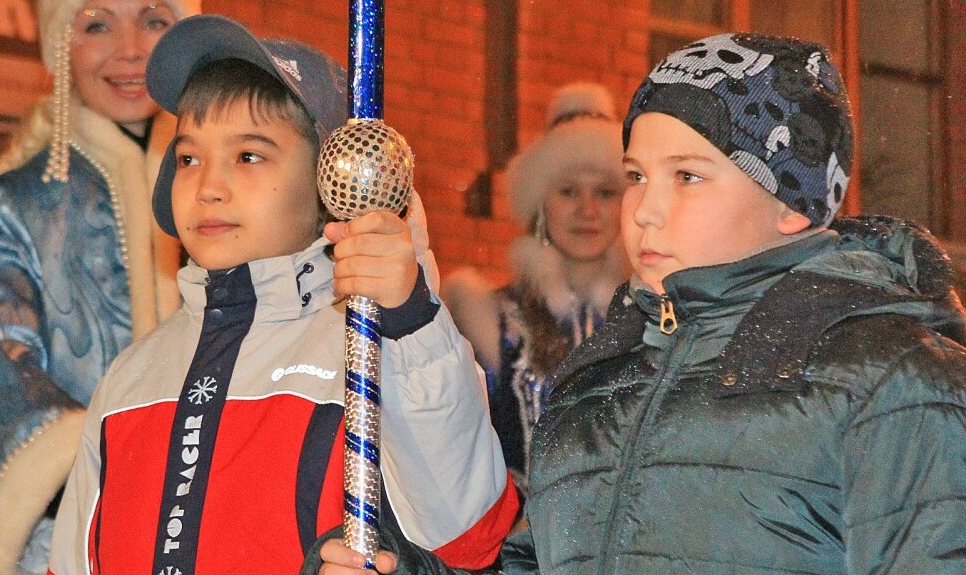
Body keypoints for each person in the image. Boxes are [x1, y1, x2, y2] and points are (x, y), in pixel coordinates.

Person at [308, 32, 966, 575]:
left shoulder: (893, 381)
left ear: (791, 202)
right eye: (636, 176)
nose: (644, 210)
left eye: (688, 176)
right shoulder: (601, 381)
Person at [47, 14, 519, 575]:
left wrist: (411, 321)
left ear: (330, 185)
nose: (208, 186)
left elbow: (470, 536)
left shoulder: (375, 353)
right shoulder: (128, 381)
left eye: (248, 156)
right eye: (189, 158)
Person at [0, 0, 199, 572]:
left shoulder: (223, 199)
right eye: (97, 24)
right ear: (59, 46)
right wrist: (79, 457)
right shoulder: (9, 205)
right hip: (63, 537)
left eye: (154, 20)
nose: (130, 49)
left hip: (215, 522)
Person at [443, 83, 627, 487]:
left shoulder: (654, 318)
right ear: (540, 205)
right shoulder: (491, 323)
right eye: (568, 191)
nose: (587, 210)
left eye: (605, 192)